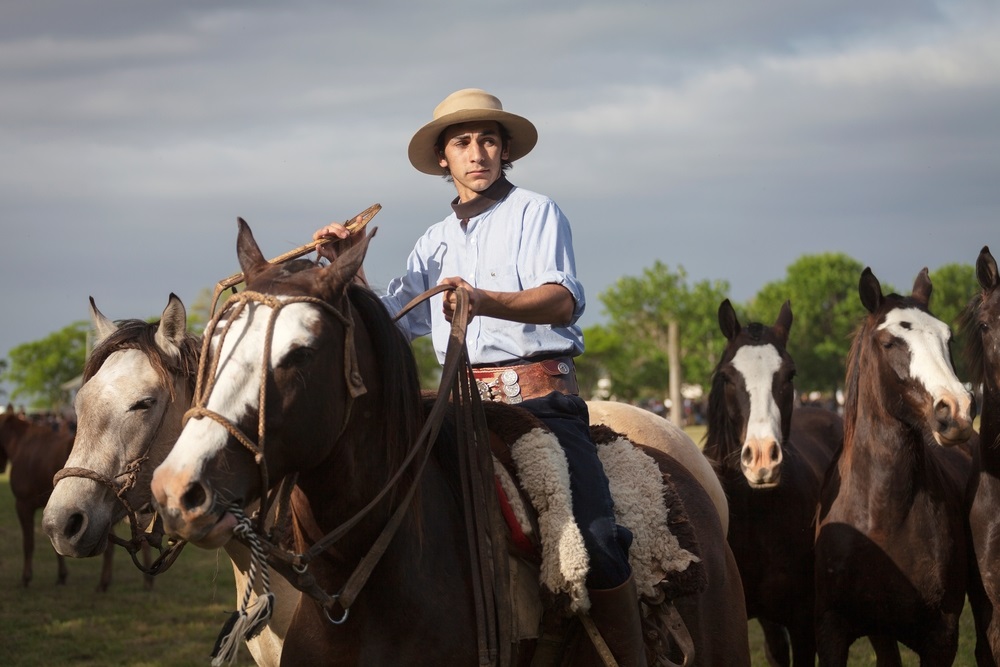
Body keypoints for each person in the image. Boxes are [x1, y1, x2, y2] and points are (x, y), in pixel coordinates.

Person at [314, 88, 646, 666]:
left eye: (488, 140)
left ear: (504, 151)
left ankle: (629, 657)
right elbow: (391, 325)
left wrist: (484, 300)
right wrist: (349, 266)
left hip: (538, 405)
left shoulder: (536, 212)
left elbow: (561, 300)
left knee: (595, 543)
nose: (478, 152)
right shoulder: (433, 242)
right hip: (455, 408)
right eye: (463, 142)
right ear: (444, 159)